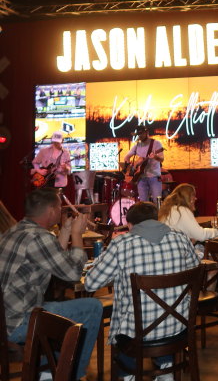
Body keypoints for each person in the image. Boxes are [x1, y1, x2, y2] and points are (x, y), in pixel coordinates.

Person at [85, 201, 200, 378]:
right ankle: (165, 366)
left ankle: (127, 375)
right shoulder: (180, 237)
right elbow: (195, 268)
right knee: (162, 315)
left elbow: (90, 283)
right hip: (180, 328)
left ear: (130, 225)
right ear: (156, 219)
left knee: (127, 328)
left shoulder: (121, 244)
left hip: (137, 336)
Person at [0, 188, 102, 380]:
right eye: (59, 207)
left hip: (6, 317)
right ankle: (71, 375)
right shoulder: (39, 238)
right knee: (93, 307)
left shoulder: (15, 230)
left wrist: (65, 231)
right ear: (50, 210)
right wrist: (77, 235)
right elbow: (72, 274)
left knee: (59, 310)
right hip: (20, 322)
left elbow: (54, 262)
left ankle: (50, 372)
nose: (61, 211)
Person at [123, 126, 164, 203]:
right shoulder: (137, 146)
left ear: (147, 133)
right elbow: (126, 157)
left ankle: (158, 215)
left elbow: (162, 159)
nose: (139, 136)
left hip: (154, 177)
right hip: (141, 177)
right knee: (143, 202)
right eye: (138, 134)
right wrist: (132, 167)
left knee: (157, 200)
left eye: (141, 134)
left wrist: (155, 156)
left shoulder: (156, 144)